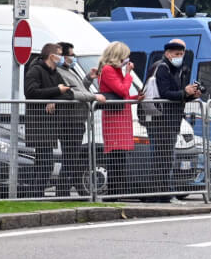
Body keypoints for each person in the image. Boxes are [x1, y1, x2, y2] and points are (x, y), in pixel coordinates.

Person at [145, 38, 202, 200]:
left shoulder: (177, 69)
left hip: (171, 119)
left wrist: (190, 95)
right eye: (177, 54)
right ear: (168, 54)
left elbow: (177, 96)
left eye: (182, 54)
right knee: (162, 158)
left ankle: (163, 192)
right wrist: (185, 92)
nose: (180, 57)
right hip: (161, 119)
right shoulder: (162, 68)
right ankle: (159, 194)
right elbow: (165, 93)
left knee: (166, 157)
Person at [22, 43, 72, 197]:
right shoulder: (35, 70)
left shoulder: (55, 73)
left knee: (43, 164)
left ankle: (35, 195)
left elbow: (68, 93)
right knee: (45, 164)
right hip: (39, 124)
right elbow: (30, 92)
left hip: (50, 125)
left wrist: (53, 99)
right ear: (51, 56)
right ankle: (36, 195)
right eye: (60, 54)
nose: (62, 57)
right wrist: (56, 91)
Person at [56, 42, 107, 196]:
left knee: (72, 157)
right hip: (69, 120)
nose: (74, 57)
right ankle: (62, 192)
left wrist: (88, 79)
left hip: (77, 120)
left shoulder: (69, 71)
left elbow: (80, 90)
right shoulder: (60, 73)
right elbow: (71, 94)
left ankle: (65, 191)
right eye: (71, 55)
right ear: (63, 56)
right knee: (70, 157)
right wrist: (93, 97)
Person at [94, 42, 137, 197]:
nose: (127, 60)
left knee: (120, 156)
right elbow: (122, 89)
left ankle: (119, 191)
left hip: (121, 117)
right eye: (125, 56)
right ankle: (113, 192)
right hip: (114, 119)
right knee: (115, 156)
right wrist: (128, 74)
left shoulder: (115, 70)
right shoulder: (108, 70)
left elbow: (122, 95)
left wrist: (136, 98)